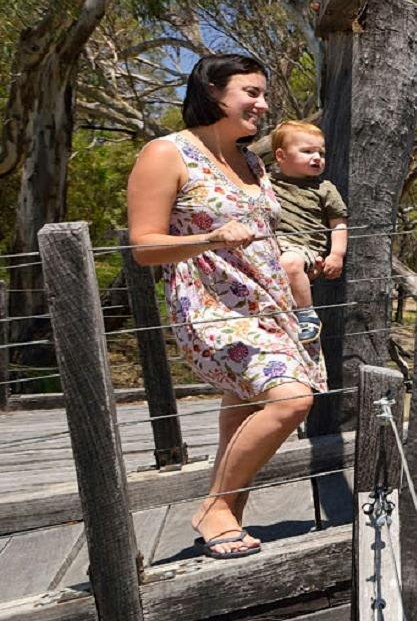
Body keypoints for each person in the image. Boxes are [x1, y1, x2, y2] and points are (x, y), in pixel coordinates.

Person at [126, 55, 325, 559]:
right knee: (291, 399)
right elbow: (144, 245)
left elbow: (263, 233)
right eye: (251, 93)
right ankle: (214, 506)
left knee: (244, 405)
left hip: (269, 300)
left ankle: (227, 516)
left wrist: (299, 262)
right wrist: (211, 237)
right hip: (211, 305)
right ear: (213, 91)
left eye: (263, 94)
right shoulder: (167, 153)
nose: (263, 104)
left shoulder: (251, 160)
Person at [265, 119, 347, 345]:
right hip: (269, 246)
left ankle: (305, 314)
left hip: (304, 248)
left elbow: (338, 223)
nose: (317, 157)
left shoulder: (325, 189)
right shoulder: (266, 183)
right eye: (307, 151)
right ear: (281, 156)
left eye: (321, 152)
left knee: (290, 263)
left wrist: (336, 255)